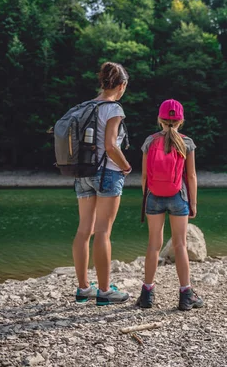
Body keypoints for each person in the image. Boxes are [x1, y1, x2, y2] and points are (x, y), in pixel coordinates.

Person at [73, 62, 132, 306]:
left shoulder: (86, 106)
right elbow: (110, 145)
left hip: (83, 172)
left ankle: (84, 288)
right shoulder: (113, 108)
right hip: (107, 173)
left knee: (84, 230)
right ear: (122, 85)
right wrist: (126, 165)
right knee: (103, 232)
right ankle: (105, 291)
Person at [139, 99, 203, 311]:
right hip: (179, 196)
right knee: (180, 245)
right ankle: (186, 295)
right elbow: (191, 176)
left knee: (153, 245)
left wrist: (148, 196)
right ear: (181, 120)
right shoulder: (187, 142)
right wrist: (192, 203)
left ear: (159, 119)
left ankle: (147, 294)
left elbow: (145, 176)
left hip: (154, 196)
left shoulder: (149, 141)